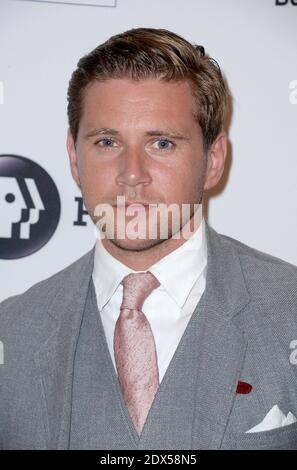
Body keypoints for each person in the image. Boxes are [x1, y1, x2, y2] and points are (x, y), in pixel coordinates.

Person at [1, 27, 297, 451]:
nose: (132, 173)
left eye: (161, 143)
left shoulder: (290, 309)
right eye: (107, 142)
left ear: (213, 160)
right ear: (73, 156)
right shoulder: (11, 332)